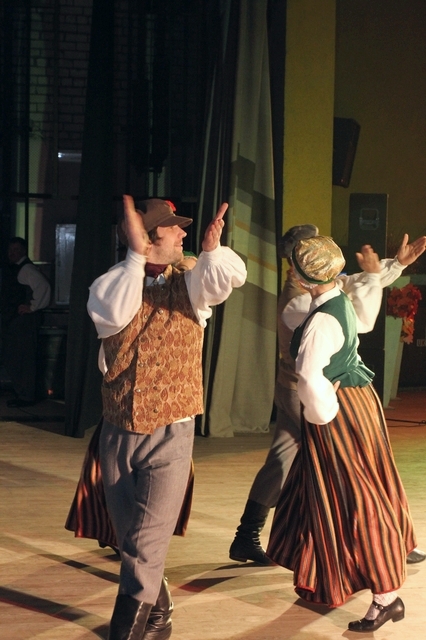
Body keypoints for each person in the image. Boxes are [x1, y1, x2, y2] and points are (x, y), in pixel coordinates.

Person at [87, 195, 246, 640]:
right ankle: (160, 610)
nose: (182, 233)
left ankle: (126, 631)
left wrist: (212, 251)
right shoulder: (111, 284)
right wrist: (135, 258)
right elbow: (114, 314)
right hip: (119, 430)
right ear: (147, 237)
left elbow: (228, 279)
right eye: (173, 227)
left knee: (147, 540)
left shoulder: (190, 282)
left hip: (172, 432)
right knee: (129, 538)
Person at [229, 225, 426, 565]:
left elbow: (351, 285)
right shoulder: (299, 299)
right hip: (310, 394)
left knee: (283, 461)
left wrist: (394, 266)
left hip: (300, 391)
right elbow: (358, 314)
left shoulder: (314, 286)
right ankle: (383, 541)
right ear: (300, 262)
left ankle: (247, 535)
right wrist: (374, 275)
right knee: (355, 465)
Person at [266, 235, 418, 632]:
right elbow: (358, 286)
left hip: (337, 413)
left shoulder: (321, 320)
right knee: (317, 488)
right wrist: (389, 268)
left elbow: (310, 379)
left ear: (301, 277)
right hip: (355, 401)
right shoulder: (335, 299)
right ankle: (324, 571)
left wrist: (322, 415)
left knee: (355, 495)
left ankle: (386, 595)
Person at [0, 236, 51, 407]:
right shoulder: (18, 269)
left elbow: (43, 286)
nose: (12, 253)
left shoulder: (26, 269)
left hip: (22, 322)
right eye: (10, 250)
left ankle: (26, 395)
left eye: (16, 250)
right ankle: (23, 393)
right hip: (17, 321)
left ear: (23, 251)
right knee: (17, 357)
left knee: (23, 358)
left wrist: (32, 307)